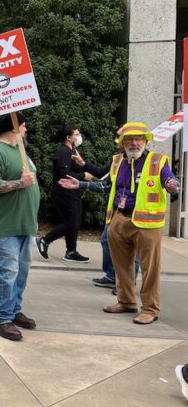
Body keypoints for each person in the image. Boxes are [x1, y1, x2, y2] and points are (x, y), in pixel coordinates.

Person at [98, 122, 178, 325]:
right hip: (119, 219)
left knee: (150, 269)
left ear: (145, 141)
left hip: (148, 224)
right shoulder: (117, 162)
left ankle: (150, 309)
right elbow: (105, 185)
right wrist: (79, 184)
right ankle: (126, 301)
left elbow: (169, 179)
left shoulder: (158, 161)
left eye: (139, 139)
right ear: (122, 143)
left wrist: (171, 185)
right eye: (129, 140)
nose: (134, 143)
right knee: (121, 266)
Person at [0, 113, 40, 341]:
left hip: (25, 223)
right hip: (5, 224)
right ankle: (1, 318)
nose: (25, 130)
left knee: (21, 271)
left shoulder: (20, 152)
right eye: (23, 126)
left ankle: (14, 310)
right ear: (14, 127)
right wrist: (20, 183)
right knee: (8, 271)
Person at [35, 125, 91, 263]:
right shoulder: (63, 151)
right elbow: (64, 174)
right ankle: (44, 240)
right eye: (76, 134)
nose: (79, 137)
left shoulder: (72, 151)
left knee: (75, 222)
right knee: (70, 223)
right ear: (68, 137)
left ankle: (71, 251)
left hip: (74, 192)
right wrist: (83, 176)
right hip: (64, 192)